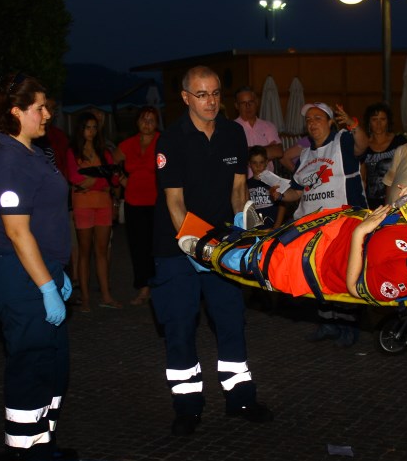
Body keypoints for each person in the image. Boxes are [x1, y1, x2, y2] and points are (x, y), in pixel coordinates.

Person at [152, 65, 273, 436]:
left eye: (216, 93)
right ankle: (187, 406)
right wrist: (200, 248)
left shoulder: (234, 134)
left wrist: (246, 235)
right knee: (180, 327)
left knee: (231, 321)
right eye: (202, 94)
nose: (211, 101)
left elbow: (239, 192)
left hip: (222, 248)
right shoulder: (170, 140)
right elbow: (175, 205)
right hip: (177, 250)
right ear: (186, 97)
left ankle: (240, 398)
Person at [0, 72, 73, 461]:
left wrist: (57, 275)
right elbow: (17, 234)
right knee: (31, 363)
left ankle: (41, 444)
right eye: (39, 108)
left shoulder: (33, 153)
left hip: (40, 269)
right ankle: (21, 458)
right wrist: (47, 286)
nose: (47, 114)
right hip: (18, 274)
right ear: (16, 112)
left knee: (53, 364)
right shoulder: (11, 161)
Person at [178, 189, 407, 301]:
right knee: (276, 238)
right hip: (329, 229)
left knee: (262, 262)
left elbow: (359, 288)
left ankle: (212, 254)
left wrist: (361, 234)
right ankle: (256, 235)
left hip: (317, 264)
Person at [270, 101, 369, 346]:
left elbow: (363, 145)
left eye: (318, 118)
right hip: (313, 226)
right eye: (309, 120)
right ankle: (327, 322)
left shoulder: (342, 141)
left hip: (343, 221)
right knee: (316, 273)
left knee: (340, 273)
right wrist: (281, 195)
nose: (312, 123)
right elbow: (297, 191)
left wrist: (353, 124)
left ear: (329, 122)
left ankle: (347, 325)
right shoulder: (305, 155)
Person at [66, 112, 121, 311]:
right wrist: (100, 181)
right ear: (80, 129)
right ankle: (86, 298)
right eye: (87, 127)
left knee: (101, 252)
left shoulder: (104, 151)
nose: (91, 131)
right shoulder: (73, 152)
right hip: (83, 205)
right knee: (84, 252)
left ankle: (106, 295)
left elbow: (113, 179)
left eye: (94, 127)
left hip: (103, 205)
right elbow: (75, 178)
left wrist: (92, 182)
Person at [112, 105, 160, 306]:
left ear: (157, 123)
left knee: (157, 246)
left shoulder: (162, 142)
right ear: (137, 122)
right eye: (143, 119)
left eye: (151, 120)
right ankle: (143, 288)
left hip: (157, 203)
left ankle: (160, 286)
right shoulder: (126, 145)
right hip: (134, 202)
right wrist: (122, 181)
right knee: (138, 248)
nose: (147, 123)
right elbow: (112, 166)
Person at [360, 102, 407, 208]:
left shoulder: (399, 142)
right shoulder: (363, 146)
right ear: (369, 122)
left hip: (397, 197)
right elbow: (362, 178)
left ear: (388, 121)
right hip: (372, 202)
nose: (378, 124)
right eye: (374, 119)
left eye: (382, 119)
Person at [233, 86, 284, 176]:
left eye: (250, 102)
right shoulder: (231, 128)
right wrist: (268, 148)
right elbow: (237, 155)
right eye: (243, 103)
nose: (248, 106)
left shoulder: (269, 126)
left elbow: (278, 151)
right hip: (243, 183)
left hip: (267, 182)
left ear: (256, 102)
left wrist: (248, 151)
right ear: (237, 106)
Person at [246, 146, 286, 228]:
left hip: (274, 227)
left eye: (261, 162)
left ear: (266, 162)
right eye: (254, 163)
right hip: (256, 229)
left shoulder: (275, 181)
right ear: (249, 164)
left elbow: (283, 204)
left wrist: (277, 226)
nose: (258, 166)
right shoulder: (246, 184)